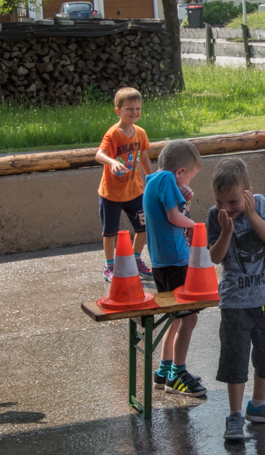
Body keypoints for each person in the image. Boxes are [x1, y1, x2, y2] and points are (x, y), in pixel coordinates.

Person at [207, 158, 265, 441]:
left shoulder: (260, 204)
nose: (226, 209)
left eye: (232, 202)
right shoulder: (215, 216)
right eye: (220, 202)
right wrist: (227, 231)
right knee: (235, 359)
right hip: (235, 303)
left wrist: (252, 215)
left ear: (247, 193)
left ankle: (259, 405)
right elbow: (214, 257)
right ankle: (234, 416)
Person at [143, 140, 207, 398]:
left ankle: (164, 369)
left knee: (175, 316)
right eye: (191, 175)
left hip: (163, 262)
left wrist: (185, 202)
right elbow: (174, 219)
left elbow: (173, 213)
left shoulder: (154, 180)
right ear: (180, 171)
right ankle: (177, 373)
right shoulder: (168, 180)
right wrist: (195, 225)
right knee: (188, 318)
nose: (189, 180)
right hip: (174, 261)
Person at [95, 87, 153, 282]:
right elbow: (99, 154)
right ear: (118, 111)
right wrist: (112, 162)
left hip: (135, 191)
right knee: (110, 231)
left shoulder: (140, 133)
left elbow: (143, 155)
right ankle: (109, 265)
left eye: (138, 108)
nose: (135, 112)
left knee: (144, 227)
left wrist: (151, 178)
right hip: (111, 193)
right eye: (129, 108)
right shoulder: (113, 134)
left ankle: (136, 259)